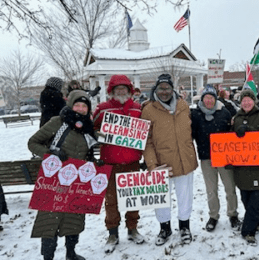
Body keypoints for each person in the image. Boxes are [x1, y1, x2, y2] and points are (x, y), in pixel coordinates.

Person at [28, 90, 97, 260]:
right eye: (77, 105)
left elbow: (87, 155)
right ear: (70, 105)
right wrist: (51, 154)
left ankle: (71, 253)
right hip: (54, 179)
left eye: (84, 106)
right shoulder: (58, 122)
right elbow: (33, 143)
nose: (81, 109)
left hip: (77, 182)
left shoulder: (88, 127)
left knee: (73, 218)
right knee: (50, 220)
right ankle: (48, 256)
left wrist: (96, 164)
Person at [141, 73, 198, 246]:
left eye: (167, 88)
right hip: (162, 163)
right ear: (155, 90)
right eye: (160, 88)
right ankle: (164, 228)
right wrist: (152, 165)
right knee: (162, 199)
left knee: (185, 197)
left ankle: (184, 227)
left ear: (172, 89)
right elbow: (146, 141)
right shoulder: (148, 110)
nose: (164, 92)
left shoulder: (183, 105)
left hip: (185, 160)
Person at [92, 75, 144, 253]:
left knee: (132, 198)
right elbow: (91, 131)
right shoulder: (102, 109)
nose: (121, 92)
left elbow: (145, 133)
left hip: (132, 161)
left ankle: (132, 229)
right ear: (112, 91)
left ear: (130, 91)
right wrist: (104, 135)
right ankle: (112, 233)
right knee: (112, 201)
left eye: (124, 89)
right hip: (110, 162)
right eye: (117, 89)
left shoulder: (137, 108)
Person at [191, 85, 240, 232]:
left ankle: (233, 214)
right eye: (206, 98)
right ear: (202, 99)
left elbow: (233, 129)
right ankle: (213, 215)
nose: (209, 101)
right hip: (206, 157)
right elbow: (190, 134)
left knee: (230, 188)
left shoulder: (224, 112)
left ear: (215, 98)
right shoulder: (195, 114)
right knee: (211, 190)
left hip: (224, 157)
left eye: (211, 98)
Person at [231, 89, 259, 246]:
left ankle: (248, 231)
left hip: (258, 166)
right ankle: (257, 221)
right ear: (240, 103)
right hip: (241, 166)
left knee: (256, 200)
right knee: (246, 199)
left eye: (249, 100)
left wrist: (249, 132)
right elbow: (230, 139)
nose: (246, 103)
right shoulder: (236, 118)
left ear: (253, 101)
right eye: (243, 101)